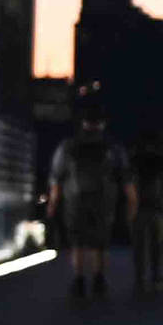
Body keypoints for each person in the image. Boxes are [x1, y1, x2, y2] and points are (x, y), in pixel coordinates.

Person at [46, 109, 120, 298]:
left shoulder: (68, 146)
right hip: (103, 202)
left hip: (75, 201)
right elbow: (125, 178)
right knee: (100, 243)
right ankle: (99, 278)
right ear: (102, 125)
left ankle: (79, 280)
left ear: (83, 124)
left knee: (77, 242)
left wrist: (52, 206)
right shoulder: (111, 148)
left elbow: (56, 178)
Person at [124, 132, 163, 293]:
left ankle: (140, 277)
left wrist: (130, 208)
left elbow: (128, 184)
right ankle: (156, 276)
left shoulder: (133, 161)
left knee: (139, 246)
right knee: (157, 246)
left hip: (138, 208)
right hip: (159, 209)